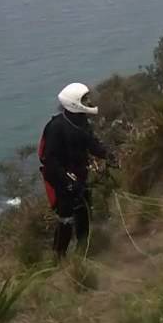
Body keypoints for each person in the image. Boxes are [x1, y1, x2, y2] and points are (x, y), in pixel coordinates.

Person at [38, 82, 114, 261]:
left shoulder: (81, 122)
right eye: (84, 99)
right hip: (62, 182)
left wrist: (108, 155)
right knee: (65, 221)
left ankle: (83, 252)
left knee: (84, 215)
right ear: (74, 103)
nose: (88, 101)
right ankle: (58, 258)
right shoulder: (56, 127)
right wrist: (67, 182)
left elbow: (91, 143)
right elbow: (50, 161)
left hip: (79, 178)